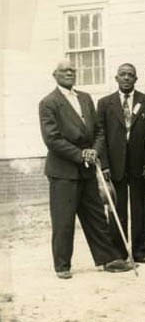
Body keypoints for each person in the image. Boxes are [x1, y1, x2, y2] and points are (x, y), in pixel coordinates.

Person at [39, 59, 132, 279]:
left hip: (88, 168)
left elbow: (99, 131)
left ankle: (108, 259)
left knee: (96, 215)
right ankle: (62, 265)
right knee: (64, 220)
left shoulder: (86, 98)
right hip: (64, 171)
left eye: (72, 70)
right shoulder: (49, 102)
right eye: (64, 71)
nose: (70, 73)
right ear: (55, 74)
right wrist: (80, 154)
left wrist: (94, 151)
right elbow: (52, 139)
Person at [97, 63, 145, 263]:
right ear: (116, 78)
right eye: (122, 75)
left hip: (139, 165)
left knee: (140, 209)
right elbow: (101, 136)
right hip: (114, 166)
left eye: (130, 75)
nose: (126, 78)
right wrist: (104, 164)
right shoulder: (105, 103)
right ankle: (119, 253)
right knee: (117, 209)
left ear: (136, 79)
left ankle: (141, 252)